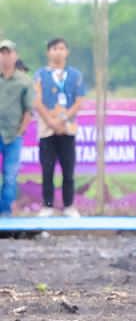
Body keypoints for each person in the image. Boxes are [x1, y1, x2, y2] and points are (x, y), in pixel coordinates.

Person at [31, 38, 86, 217]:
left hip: (67, 128)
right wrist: (51, 121)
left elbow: (79, 102)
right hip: (46, 129)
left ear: (67, 52)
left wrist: (62, 119)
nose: (58, 52)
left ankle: (69, 205)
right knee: (47, 169)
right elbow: (37, 101)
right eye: (55, 48)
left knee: (68, 168)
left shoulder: (75, 75)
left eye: (62, 48)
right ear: (48, 52)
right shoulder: (40, 75)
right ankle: (47, 205)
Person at [0, 40, 35, 217]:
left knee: (10, 176)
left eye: (9, 53)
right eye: (2, 53)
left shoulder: (24, 81)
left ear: (16, 56)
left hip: (13, 134)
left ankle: (4, 213)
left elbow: (29, 109)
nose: (5, 57)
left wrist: (21, 131)